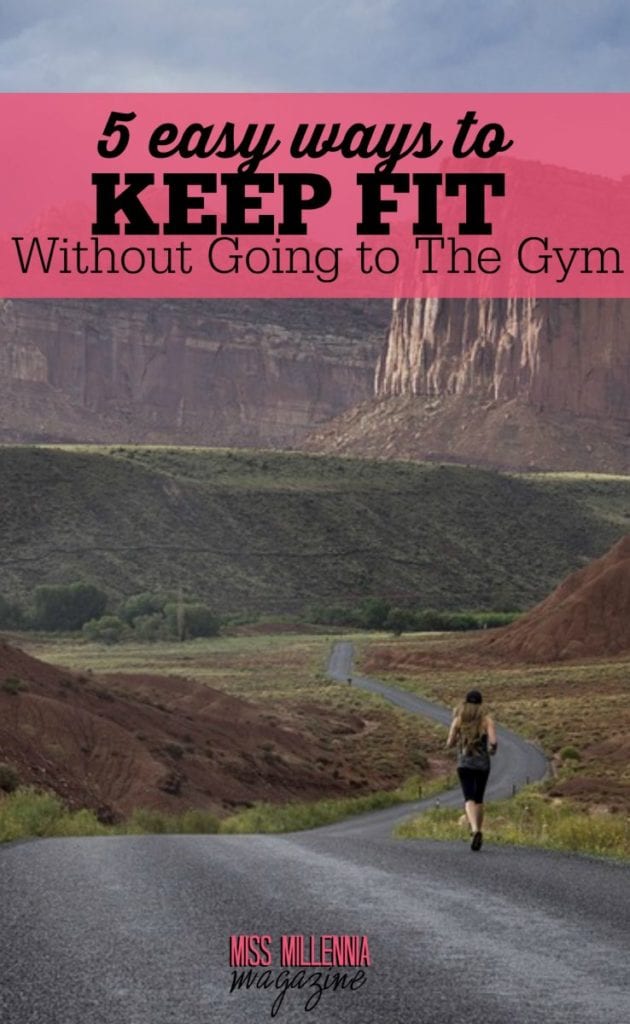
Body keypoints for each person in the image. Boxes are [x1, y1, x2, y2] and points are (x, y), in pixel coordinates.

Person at [446, 689, 497, 851]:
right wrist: (491, 750)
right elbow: (494, 742)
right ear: (481, 704)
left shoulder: (458, 720)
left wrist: (457, 742)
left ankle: (474, 830)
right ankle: (479, 830)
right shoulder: (487, 720)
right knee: (479, 798)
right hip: (483, 764)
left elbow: (449, 743)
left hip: (464, 763)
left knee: (468, 798)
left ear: (465, 703)